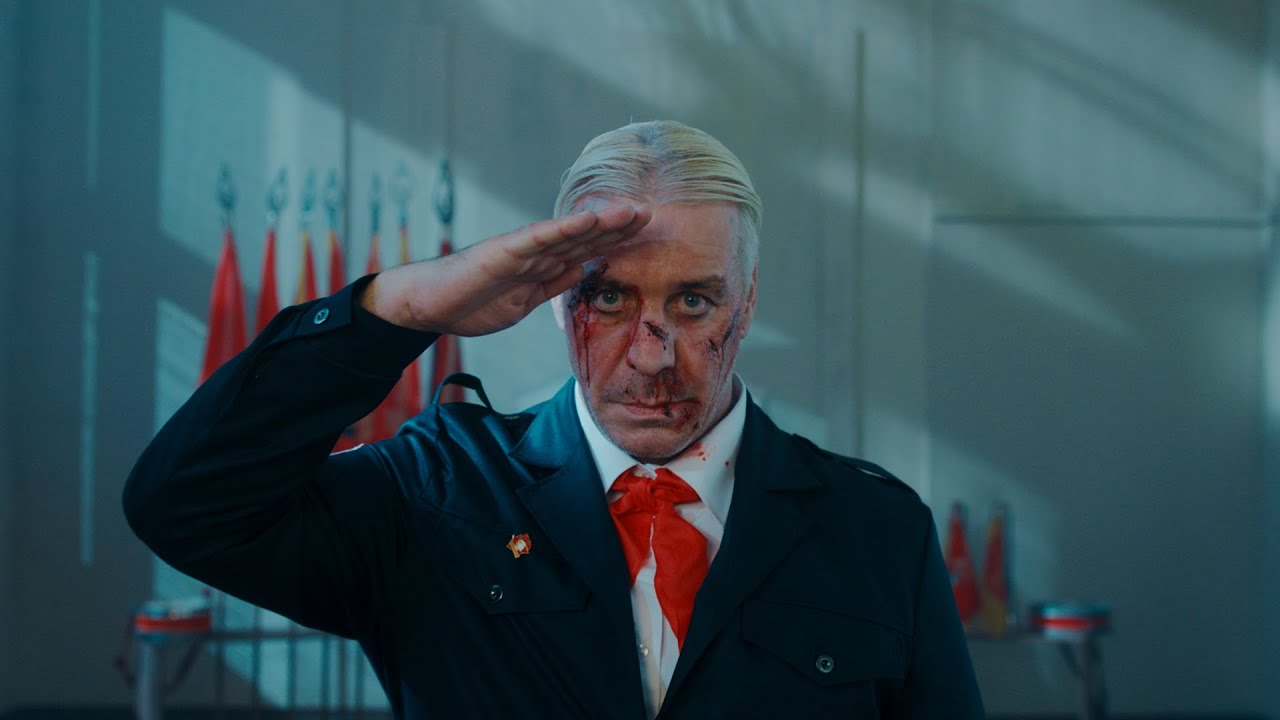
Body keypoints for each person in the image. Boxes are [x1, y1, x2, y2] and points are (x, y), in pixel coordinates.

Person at [124, 120, 984, 718]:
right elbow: (183, 504)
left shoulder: (876, 530)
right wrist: (402, 307)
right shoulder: (438, 498)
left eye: (693, 302)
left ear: (748, 302)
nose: (651, 357)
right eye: (610, 299)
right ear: (556, 299)